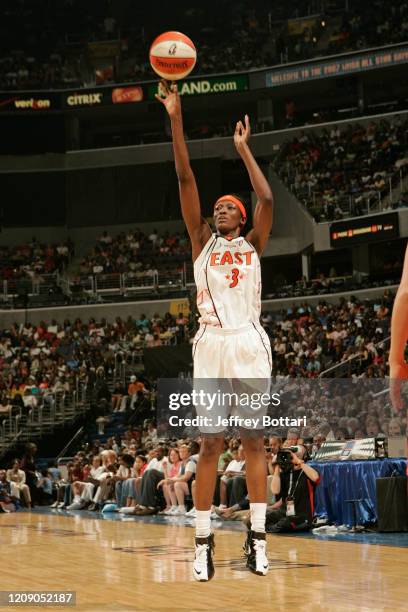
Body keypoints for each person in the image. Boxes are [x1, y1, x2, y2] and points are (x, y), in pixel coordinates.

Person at [157, 80, 273, 580]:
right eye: (218, 205)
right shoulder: (201, 240)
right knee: (209, 445)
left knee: (253, 443)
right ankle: (203, 542)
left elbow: (266, 196)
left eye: (229, 205)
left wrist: (244, 151)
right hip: (210, 344)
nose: (220, 208)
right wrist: (176, 119)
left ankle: (259, 539)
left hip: (248, 341)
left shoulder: (252, 244)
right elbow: (185, 179)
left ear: (241, 218)